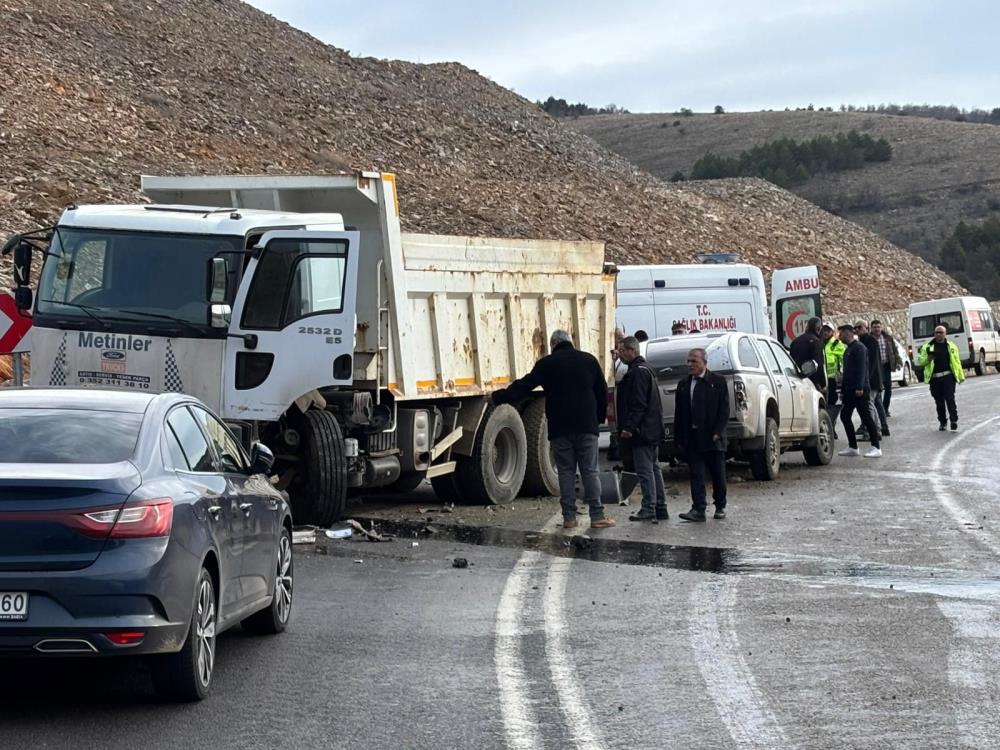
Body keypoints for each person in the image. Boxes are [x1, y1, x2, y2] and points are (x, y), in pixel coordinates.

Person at [492, 330, 615, 529]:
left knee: (565, 472)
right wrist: (598, 419)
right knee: (590, 471)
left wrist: (498, 397)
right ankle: (597, 516)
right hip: (586, 426)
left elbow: (524, 385)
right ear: (570, 342)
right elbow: (601, 393)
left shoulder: (547, 364)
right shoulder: (589, 360)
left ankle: (569, 518)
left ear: (553, 345)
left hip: (560, 427)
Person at [616, 336, 668, 522]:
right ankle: (660, 506)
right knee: (654, 468)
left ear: (632, 350)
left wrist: (629, 427)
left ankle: (649, 508)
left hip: (642, 431)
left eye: (622, 350)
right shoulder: (647, 370)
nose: (619, 354)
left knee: (645, 470)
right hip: (651, 429)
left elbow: (638, 404)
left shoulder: (637, 373)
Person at [674, 348, 729, 521]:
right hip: (693, 436)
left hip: (712, 436)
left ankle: (720, 505)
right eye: (688, 361)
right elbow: (679, 413)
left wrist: (717, 432)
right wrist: (679, 437)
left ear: (704, 362)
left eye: (694, 361)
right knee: (696, 474)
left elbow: (724, 410)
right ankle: (698, 508)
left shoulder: (717, 382)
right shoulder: (684, 384)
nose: (690, 365)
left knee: (717, 474)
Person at [837, 325, 882, 457]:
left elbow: (862, 369)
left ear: (848, 333)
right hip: (849, 390)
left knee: (866, 417)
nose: (839, 337)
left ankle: (876, 447)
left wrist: (860, 387)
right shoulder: (848, 350)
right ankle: (853, 447)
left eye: (841, 334)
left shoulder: (860, 348)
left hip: (859, 390)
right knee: (845, 416)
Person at [916, 325, 965, 430]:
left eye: (941, 332)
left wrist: (960, 376)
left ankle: (953, 420)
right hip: (934, 379)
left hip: (948, 376)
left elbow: (956, 362)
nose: (938, 334)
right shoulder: (928, 346)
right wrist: (928, 359)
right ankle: (942, 422)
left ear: (945, 333)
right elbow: (920, 361)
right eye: (936, 332)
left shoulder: (951, 346)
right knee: (939, 402)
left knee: (950, 398)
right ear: (934, 334)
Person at [854, 321, 889, 438]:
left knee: (869, 404)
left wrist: (865, 379)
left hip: (872, 380)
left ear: (866, 328)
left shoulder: (870, 341)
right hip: (874, 379)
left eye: (859, 327)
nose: (857, 330)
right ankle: (882, 428)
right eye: (855, 328)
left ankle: (875, 431)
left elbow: (872, 363)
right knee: (877, 404)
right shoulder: (863, 341)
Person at [870, 320, 901, 418]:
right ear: (871, 328)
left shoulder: (887, 338)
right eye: (875, 327)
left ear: (881, 327)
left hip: (886, 366)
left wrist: (897, 362)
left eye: (878, 327)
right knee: (878, 389)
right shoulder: (870, 339)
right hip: (875, 367)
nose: (877, 329)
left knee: (888, 388)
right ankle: (879, 410)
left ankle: (885, 409)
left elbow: (894, 350)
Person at [789, 316, 828, 394]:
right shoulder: (817, 342)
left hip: (796, 379)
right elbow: (818, 364)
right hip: (813, 382)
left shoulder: (795, 341)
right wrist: (822, 384)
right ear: (819, 328)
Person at [822, 321, 845, 438]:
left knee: (834, 405)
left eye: (828, 330)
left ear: (832, 332)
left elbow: (843, 359)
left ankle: (831, 428)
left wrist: (841, 375)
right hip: (823, 380)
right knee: (825, 405)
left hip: (834, 380)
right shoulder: (819, 343)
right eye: (824, 330)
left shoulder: (836, 343)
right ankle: (830, 428)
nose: (825, 332)